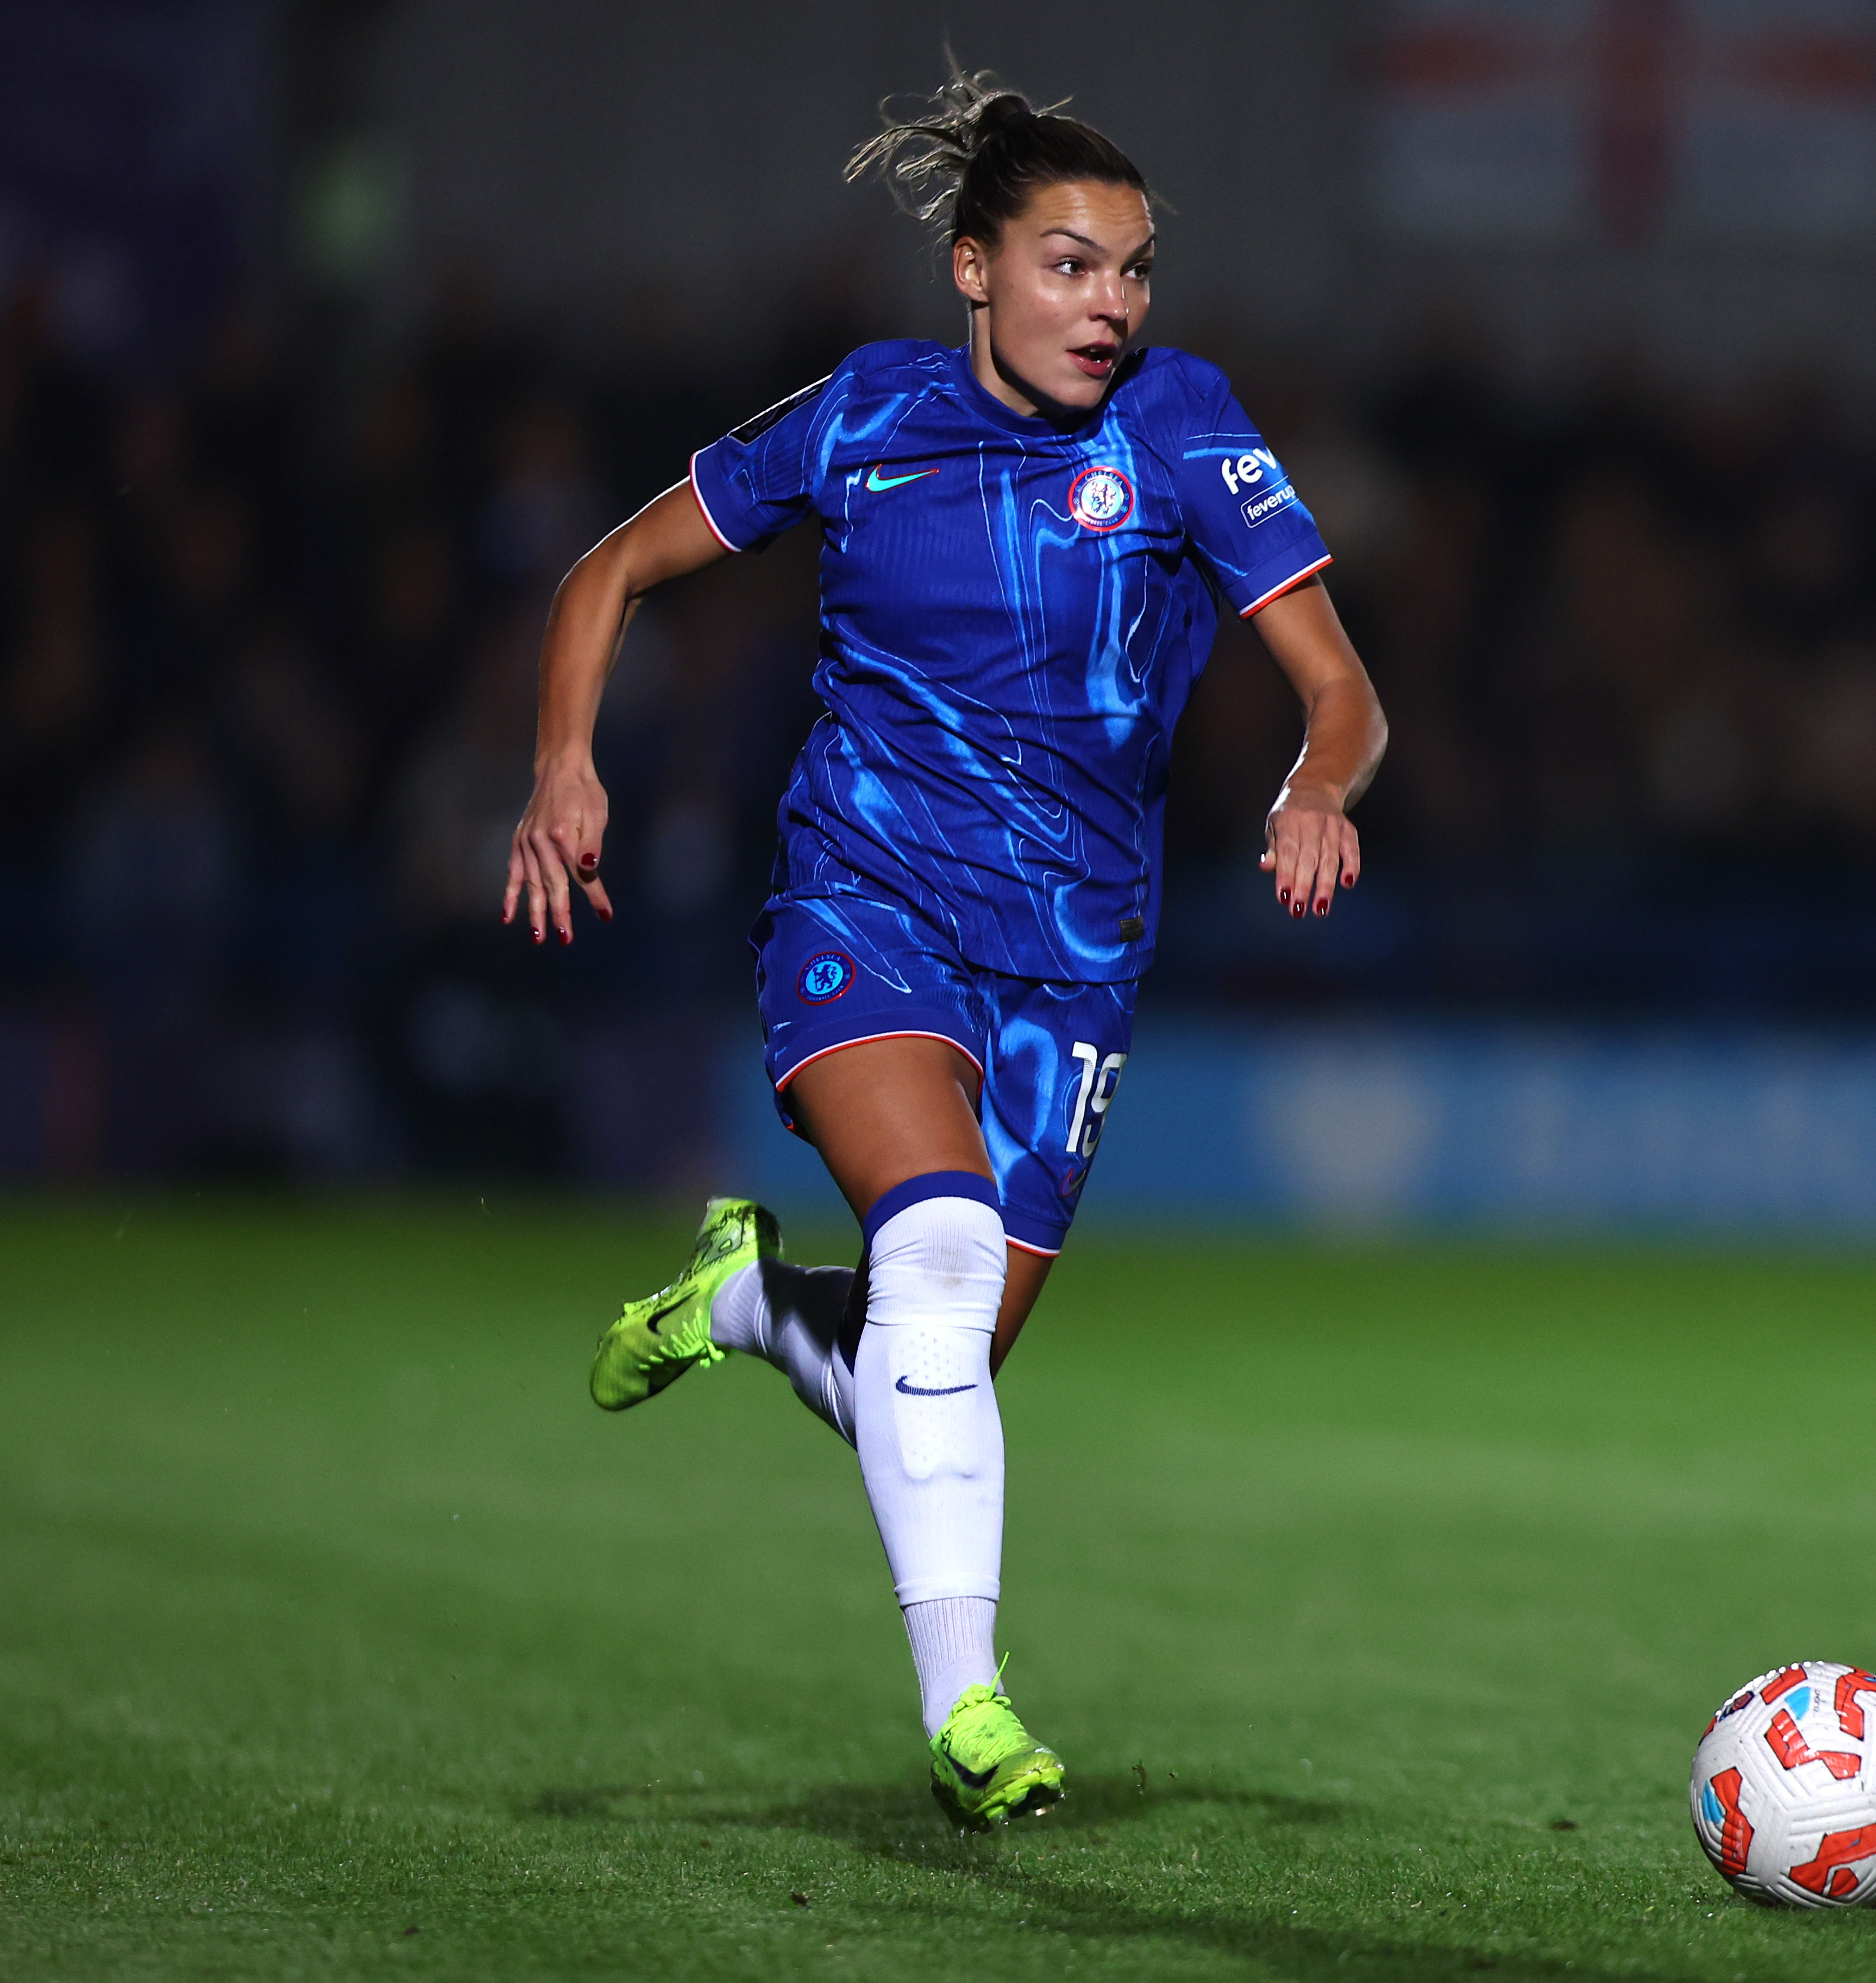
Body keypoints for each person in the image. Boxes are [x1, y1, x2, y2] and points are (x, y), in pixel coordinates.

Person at [501, 67, 1386, 1829]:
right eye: (1071, 266)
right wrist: (560, 767)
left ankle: (750, 1300)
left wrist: (1317, 786)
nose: (1112, 306)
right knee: (939, 1255)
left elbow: (1345, 691)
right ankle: (971, 1706)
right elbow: (604, 574)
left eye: (1133, 271)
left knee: (945, 1354)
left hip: (1072, 961)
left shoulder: (1188, 428)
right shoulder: (860, 417)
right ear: (974, 270)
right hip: (867, 898)